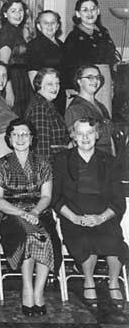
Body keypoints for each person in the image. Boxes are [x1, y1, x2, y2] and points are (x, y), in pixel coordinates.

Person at [52, 117, 128, 308]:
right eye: (80, 133)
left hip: (103, 216)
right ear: (74, 136)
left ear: (97, 134)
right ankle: (89, 280)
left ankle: (113, 282)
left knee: (114, 240)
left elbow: (118, 200)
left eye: (89, 133)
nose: (85, 137)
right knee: (84, 240)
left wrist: (101, 217)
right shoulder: (62, 160)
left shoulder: (109, 161)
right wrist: (75, 218)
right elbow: (55, 198)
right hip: (73, 216)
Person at [0, 118, 61, 316]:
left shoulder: (43, 163)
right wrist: (23, 213)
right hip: (11, 214)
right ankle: (27, 289)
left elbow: (47, 196)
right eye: (16, 134)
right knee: (29, 235)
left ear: (32, 138)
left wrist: (34, 212)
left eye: (25, 134)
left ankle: (39, 291)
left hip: (39, 211)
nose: (20, 138)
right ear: (9, 138)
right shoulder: (2, 164)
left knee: (45, 236)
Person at [64, 0, 117, 116]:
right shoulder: (74, 36)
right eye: (85, 10)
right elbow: (67, 64)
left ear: (98, 11)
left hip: (105, 79)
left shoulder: (103, 32)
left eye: (93, 9)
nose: (90, 13)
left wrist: (112, 83)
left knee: (104, 114)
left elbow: (111, 59)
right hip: (85, 81)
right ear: (78, 14)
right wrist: (72, 86)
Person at [65, 64, 113, 155]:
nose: (95, 81)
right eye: (90, 77)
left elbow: (109, 138)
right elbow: (77, 143)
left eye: (97, 77)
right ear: (79, 81)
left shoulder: (101, 106)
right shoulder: (75, 109)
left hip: (106, 158)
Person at [0, 0, 32, 117]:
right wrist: (8, 89)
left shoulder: (16, 31)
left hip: (21, 78)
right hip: (13, 80)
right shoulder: (6, 32)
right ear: (5, 14)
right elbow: (3, 63)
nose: (18, 14)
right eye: (13, 11)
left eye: (20, 10)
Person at [26, 10, 66, 115]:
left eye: (53, 22)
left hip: (60, 94)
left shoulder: (61, 45)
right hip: (45, 97)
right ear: (39, 26)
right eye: (45, 23)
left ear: (57, 26)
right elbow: (33, 77)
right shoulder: (34, 45)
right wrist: (43, 100)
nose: (49, 26)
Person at [25, 68, 70, 161]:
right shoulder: (40, 108)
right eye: (50, 84)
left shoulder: (45, 104)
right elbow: (41, 149)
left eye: (57, 83)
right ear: (39, 85)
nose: (55, 88)